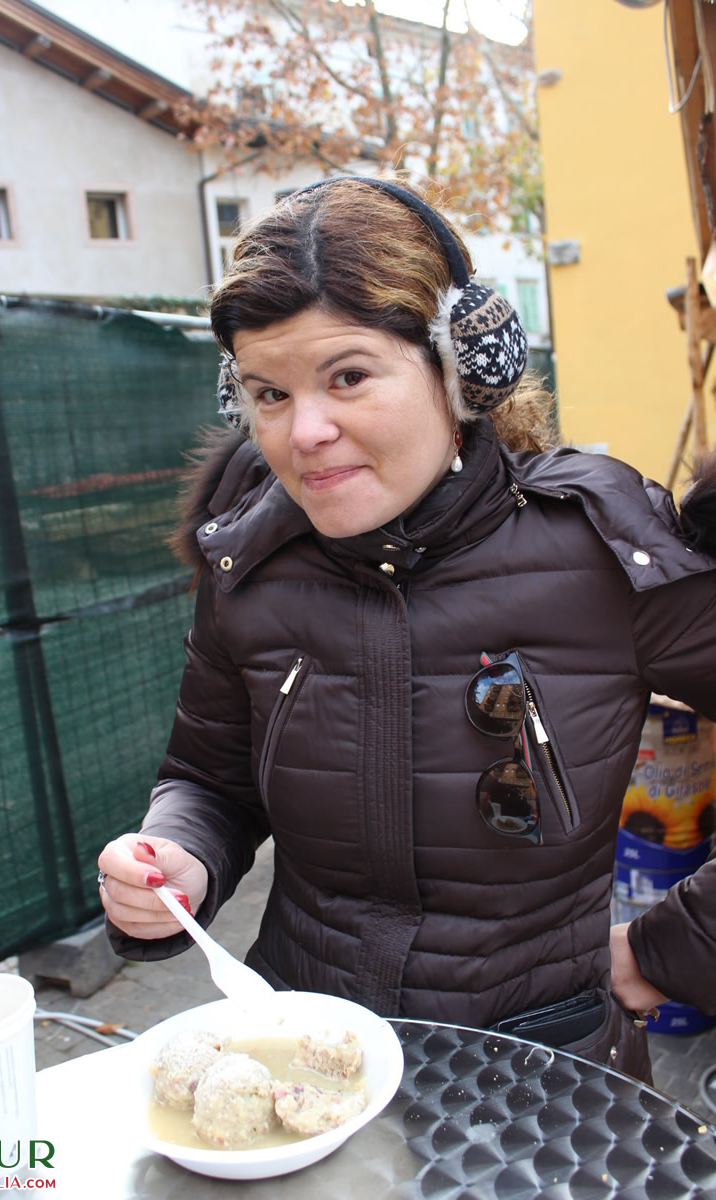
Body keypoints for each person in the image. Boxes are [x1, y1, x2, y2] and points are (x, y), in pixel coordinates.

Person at [98, 176, 716, 1082]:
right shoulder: (248, 561)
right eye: (269, 393)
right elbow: (209, 775)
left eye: (349, 376)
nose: (305, 431)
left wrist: (674, 948)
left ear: (462, 369)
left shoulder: (604, 553)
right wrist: (177, 856)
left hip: (538, 1082)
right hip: (301, 1065)